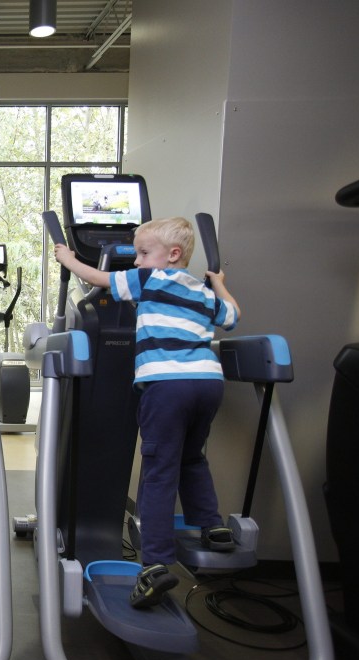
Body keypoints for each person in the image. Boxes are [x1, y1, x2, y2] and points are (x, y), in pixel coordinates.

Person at [53, 216, 241, 609]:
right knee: (192, 457)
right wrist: (218, 279)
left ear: (173, 255)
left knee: (158, 470)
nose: (136, 261)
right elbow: (232, 315)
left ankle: (154, 564)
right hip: (208, 384)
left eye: (142, 253)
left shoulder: (152, 281)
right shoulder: (202, 291)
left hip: (166, 387)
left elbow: (101, 281)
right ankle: (212, 525)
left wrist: (68, 258)